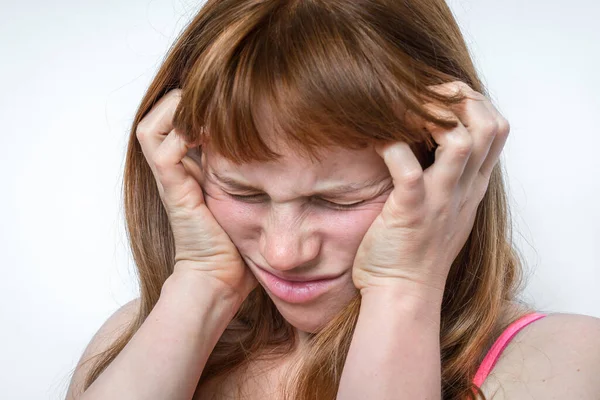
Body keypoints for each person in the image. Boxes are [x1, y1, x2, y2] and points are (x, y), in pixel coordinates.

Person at [66, 0, 600, 399]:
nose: (283, 253)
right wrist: (202, 283)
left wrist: (402, 290)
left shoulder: (567, 362)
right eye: (242, 191)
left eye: (338, 201)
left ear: (448, 170)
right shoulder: (139, 334)